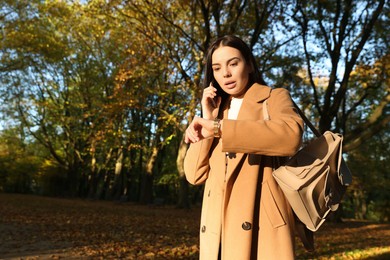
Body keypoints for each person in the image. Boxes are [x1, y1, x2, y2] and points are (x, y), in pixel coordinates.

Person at [184, 35, 304, 259]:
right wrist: (207, 117)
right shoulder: (217, 112)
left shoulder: (274, 97)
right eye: (217, 68)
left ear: (249, 64)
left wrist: (220, 128)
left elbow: (291, 136)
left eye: (233, 63)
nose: (225, 74)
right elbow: (194, 175)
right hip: (217, 232)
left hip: (261, 228)